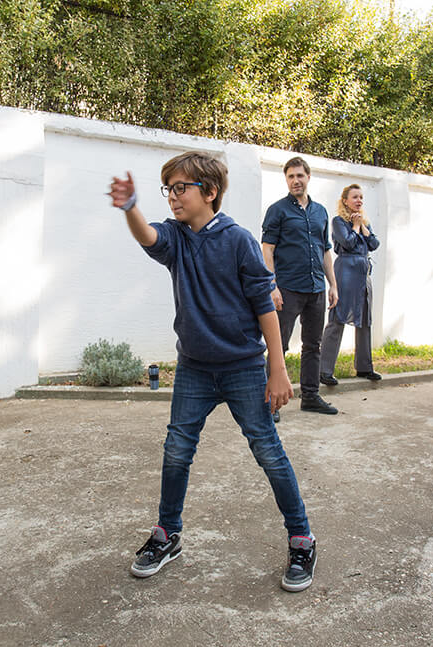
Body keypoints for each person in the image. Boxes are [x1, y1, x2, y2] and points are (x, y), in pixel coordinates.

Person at [108, 152, 317, 592]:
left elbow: (265, 305)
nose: (172, 197)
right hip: (195, 369)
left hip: (243, 367)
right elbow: (148, 236)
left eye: (180, 188)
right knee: (177, 450)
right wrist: (131, 208)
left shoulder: (238, 240)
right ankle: (167, 534)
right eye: (168, 189)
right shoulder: (177, 238)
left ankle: (301, 538)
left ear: (210, 192)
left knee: (268, 450)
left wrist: (277, 369)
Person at [262, 157, 338, 420]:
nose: (295, 180)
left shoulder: (321, 212)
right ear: (286, 180)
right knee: (278, 346)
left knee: (313, 345)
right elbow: (267, 249)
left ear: (308, 177)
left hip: (316, 287)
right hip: (287, 289)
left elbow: (325, 250)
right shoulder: (277, 210)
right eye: (291, 176)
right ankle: (270, 402)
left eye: (299, 175)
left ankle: (311, 396)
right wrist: (272, 286)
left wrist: (333, 284)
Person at [317, 184, 382, 385]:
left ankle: (364, 367)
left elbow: (374, 244)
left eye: (361, 197)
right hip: (345, 272)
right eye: (355, 197)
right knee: (337, 318)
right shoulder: (338, 221)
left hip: (363, 274)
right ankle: (324, 370)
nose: (359, 200)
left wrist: (362, 226)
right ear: (345, 200)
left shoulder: (364, 222)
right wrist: (355, 227)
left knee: (365, 319)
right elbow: (347, 243)